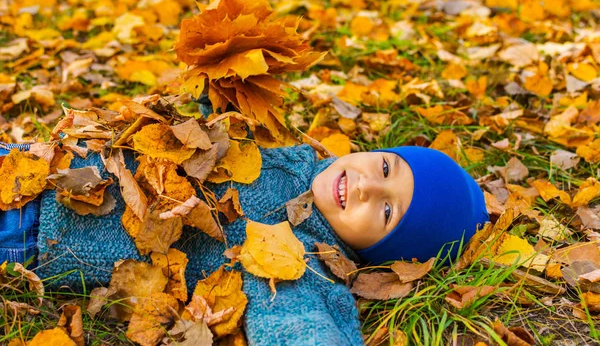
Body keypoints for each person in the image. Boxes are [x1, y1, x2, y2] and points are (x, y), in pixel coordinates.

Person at [0, 130, 488, 345]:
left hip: (39, 232)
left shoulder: (299, 256)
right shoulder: (291, 152)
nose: (365, 185)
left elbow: (298, 322)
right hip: (37, 164)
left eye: (386, 209)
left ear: (382, 252)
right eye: (385, 167)